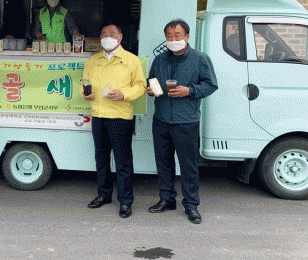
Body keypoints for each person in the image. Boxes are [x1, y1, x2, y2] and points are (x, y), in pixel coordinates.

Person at [146, 19, 218, 224]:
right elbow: (152, 80)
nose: (173, 39)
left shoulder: (200, 59)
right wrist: (151, 90)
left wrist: (190, 90)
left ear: (187, 36)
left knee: (188, 166)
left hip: (186, 121)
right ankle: (167, 199)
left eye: (177, 35)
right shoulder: (160, 59)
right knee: (163, 163)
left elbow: (211, 85)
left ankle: (191, 205)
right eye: (169, 36)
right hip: (161, 119)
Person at [82, 23, 146, 218]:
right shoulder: (93, 60)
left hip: (120, 117)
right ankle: (103, 195)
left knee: (123, 161)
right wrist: (85, 93)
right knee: (101, 159)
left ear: (120, 37)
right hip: (99, 115)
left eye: (111, 33)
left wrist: (124, 94)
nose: (107, 37)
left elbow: (141, 86)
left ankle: (125, 201)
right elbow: (84, 82)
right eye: (103, 34)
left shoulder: (131, 60)